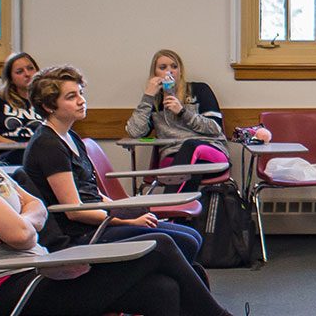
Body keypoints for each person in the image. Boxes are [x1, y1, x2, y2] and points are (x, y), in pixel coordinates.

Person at [0, 69, 229, 316]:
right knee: (161, 246)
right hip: (9, 288)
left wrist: (20, 219)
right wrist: (20, 223)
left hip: (36, 269)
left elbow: (35, 205)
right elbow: (23, 234)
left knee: (162, 289)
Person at [22, 66, 203, 261]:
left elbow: (90, 192)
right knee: (182, 241)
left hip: (99, 221)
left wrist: (123, 209)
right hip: (81, 233)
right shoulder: (48, 145)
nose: (81, 100)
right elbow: (74, 211)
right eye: (71, 97)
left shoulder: (70, 137)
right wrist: (127, 221)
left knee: (192, 236)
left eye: (81, 93)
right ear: (48, 106)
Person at [125, 49, 228, 191]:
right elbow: (135, 132)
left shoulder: (199, 90)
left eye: (174, 67)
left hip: (210, 152)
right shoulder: (154, 102)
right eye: (163, 67)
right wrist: (148, 96)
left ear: (180, 71)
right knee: (186, 167)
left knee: (191, 146)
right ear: (155, 73)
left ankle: (169, 204)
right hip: (173, 156)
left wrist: (182, 112)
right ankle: (179, 205)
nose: (169, 71)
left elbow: (215, 128)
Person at [0, 52, 45, 164]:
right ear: (11, 78)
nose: (27, 74)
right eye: (19, 71)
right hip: (6, 155)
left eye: (30, 68)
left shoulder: (46, 100)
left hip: (39, 155)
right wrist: (12, 144)